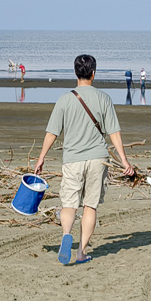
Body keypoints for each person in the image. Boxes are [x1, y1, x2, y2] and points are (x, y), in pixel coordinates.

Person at [34, 55, 135, 265]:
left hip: (73, 158)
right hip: (98, 158)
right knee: (90, 205)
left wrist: (41, 157)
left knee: (69, 204)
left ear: (75, 73)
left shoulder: (64, 99)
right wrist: (125, 161)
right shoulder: (104, 98)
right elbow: (114, 132)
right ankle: (81, 252)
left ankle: (66, 235)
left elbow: (52, 132)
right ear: (93, 73)